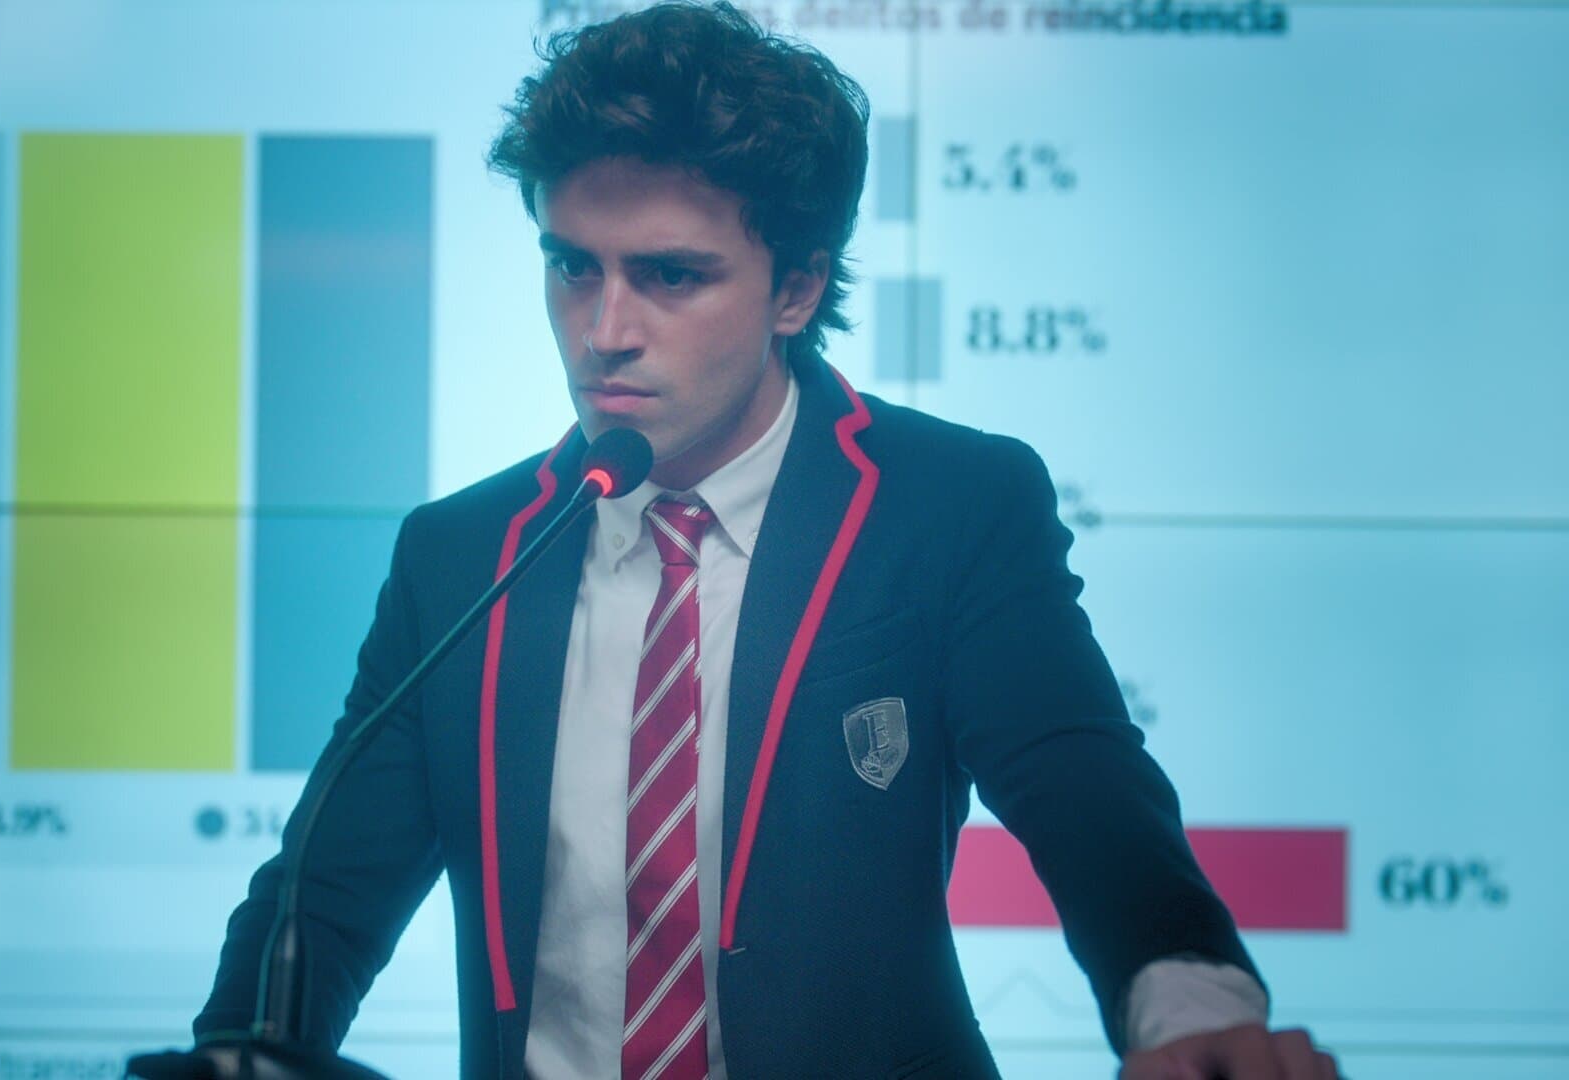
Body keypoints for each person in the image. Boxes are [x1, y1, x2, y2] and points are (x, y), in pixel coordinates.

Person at [196, 3, 1337, 1077]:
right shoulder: (462, 554)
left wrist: (1192, 1012)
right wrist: (234, 1056)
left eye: (669, 276)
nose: (604, 330)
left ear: (796, 289)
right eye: (573, 265)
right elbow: (320, 903)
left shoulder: (950, 507)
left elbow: (1084, 790)